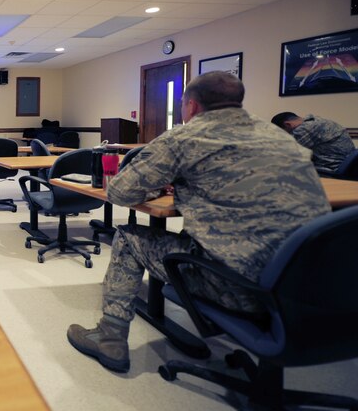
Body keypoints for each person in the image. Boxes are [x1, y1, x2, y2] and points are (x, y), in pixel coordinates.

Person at [68, 72, 329, 373]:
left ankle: (110, 337)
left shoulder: (185, 137)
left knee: (128, 237)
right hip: (312, 284)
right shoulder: (281, 137)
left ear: (190, 106)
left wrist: (162, 186)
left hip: (240, 288)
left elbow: (119, 190)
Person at [270, 111, 354, 173]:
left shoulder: (305, 129)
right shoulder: (319, 121)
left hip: (330, 169)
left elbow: (285, 153)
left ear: (288, 125)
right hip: (344, 166)